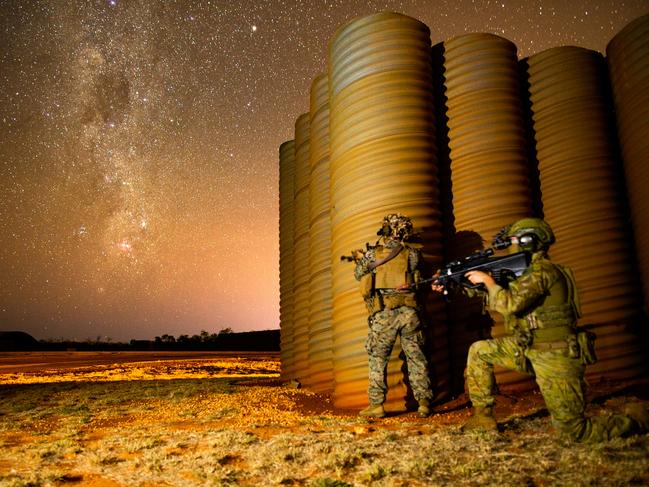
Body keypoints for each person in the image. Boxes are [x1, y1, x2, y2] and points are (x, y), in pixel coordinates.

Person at [432, 217, 648, 442]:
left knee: (575, 433)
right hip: (528, 348)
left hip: (556, 355)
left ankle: (637, 420)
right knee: (480, 350)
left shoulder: (543, 272)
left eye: (515, 240)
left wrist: (487, 280)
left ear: (529, 240)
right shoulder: (526, 274)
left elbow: (508, 303)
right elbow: (493, 294)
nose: (512, 244)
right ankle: (483, 418)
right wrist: (454, 284)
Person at [353, 213, 434, 418]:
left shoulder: (374, 255)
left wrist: (362, 259)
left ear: (387, 230)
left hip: (385, 314)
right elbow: (420, 275)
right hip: (410, 312)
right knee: (417, 357)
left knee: (378, 359)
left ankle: (377, 405)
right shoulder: (414, 254)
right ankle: (424, 403)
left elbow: (359, 274)